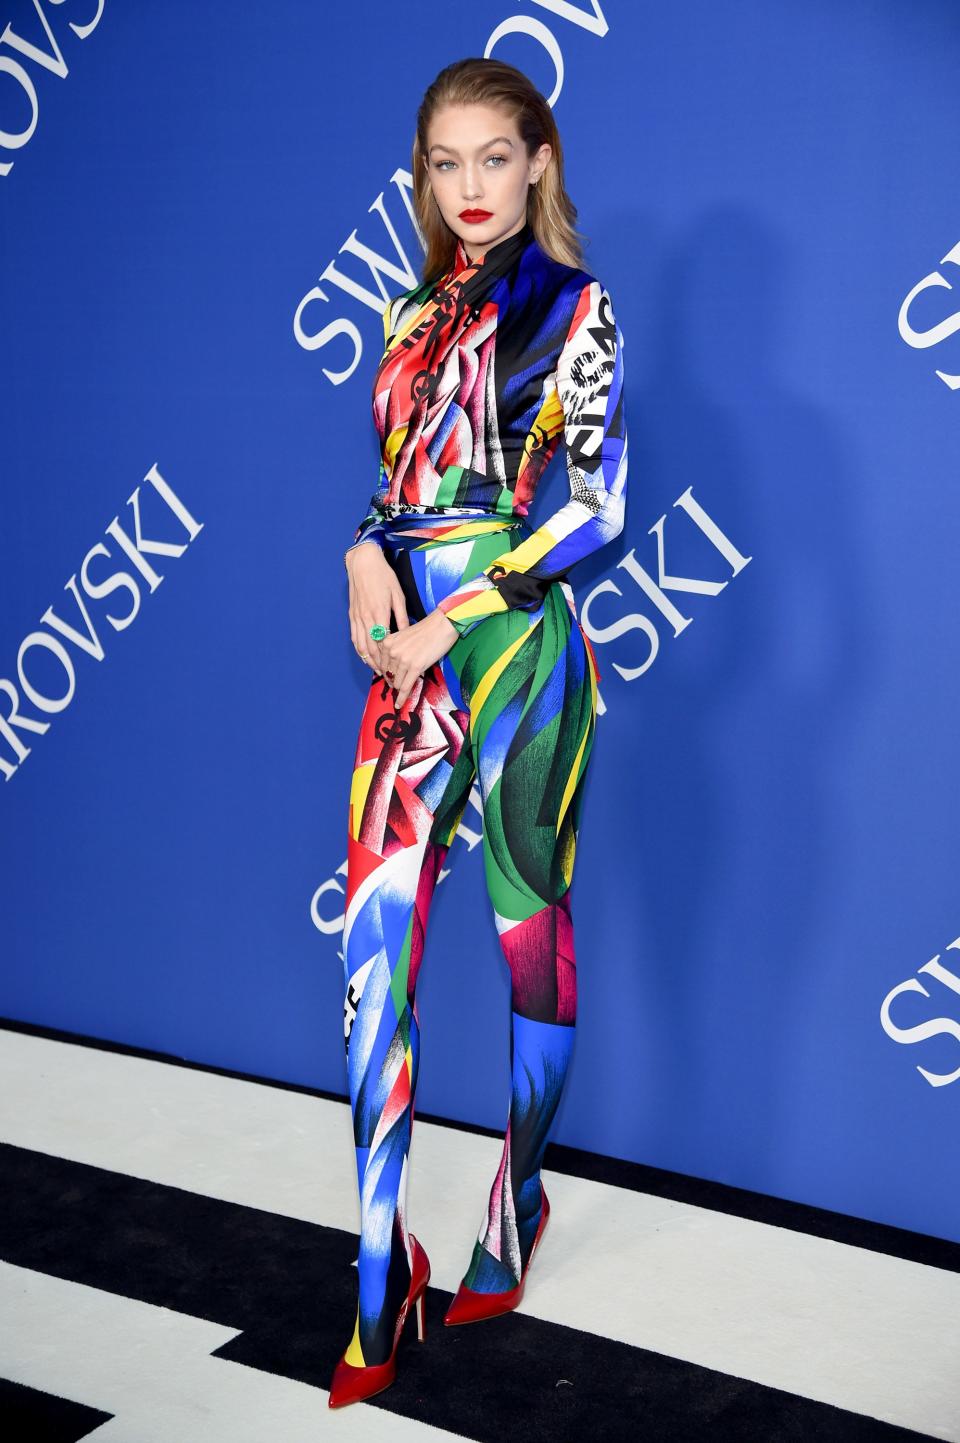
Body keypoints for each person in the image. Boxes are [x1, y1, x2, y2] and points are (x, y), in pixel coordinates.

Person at [329, 54, 628, 1409]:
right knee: (375, 949)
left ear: (538, 161)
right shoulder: (404, 312)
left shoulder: (577, 307)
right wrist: (359, 557)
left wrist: (462, 618)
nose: (470, 189)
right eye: (445, 165)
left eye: (494, 159)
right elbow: (396, 488)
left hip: (518, 663)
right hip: (409, 658)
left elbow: (601, 509)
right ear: (424, 173)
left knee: (529, 945)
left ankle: (522, 1198)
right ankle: (374, 1269)